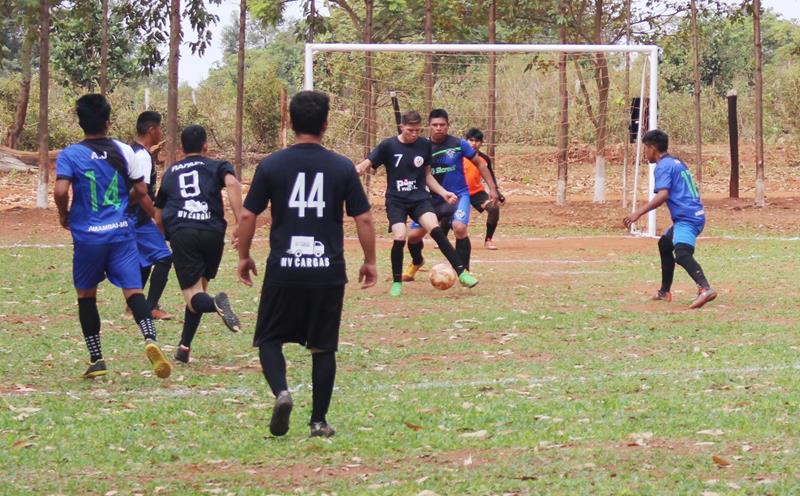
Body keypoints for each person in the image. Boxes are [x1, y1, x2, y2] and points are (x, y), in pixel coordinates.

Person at [236, 90, 377, 438]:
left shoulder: (270, 165)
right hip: (326, 271)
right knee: (323, 346)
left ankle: (282, 391)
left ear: (290, 121)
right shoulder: (342, 166)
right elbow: (364, 219)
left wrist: (243, 255)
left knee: (269, 338)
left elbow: (248, 214)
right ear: (326, 124)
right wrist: (370, 261)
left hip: (284, 268)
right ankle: (318, 421)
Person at [54, 93, 171, 379]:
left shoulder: (70, 154)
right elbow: (141, 191)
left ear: (80, 122)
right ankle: (150, 339)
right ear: (108, 121)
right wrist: (122, 203)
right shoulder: (123, 150)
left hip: (88, 237)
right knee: (133, 292)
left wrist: (64, 214)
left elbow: (59, 191)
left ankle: (97, 359)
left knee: (86, 295)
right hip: (121, 233)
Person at [354, 110, 477, 296]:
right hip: (396, 200)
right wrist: (352, 172)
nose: (414, 134)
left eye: (418, 130)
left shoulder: (424, 145)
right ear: (402, 127)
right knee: (401, 236)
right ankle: (397, 282)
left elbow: (427, 175)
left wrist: (444, 193)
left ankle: (462, 272)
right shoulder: (388, 145)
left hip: (419, 198)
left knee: (435, 229)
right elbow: (364, 166)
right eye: (410, 130)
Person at [154, 125, 243, 364]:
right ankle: (184, 347)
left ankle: (216, 304)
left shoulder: (171, 172)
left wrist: (161, 239)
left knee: (194, 296)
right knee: (196, 292)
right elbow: (233, 185)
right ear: (206, 146)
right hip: (213, 232)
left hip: (184, 233)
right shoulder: (217, 165)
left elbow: (159, 213)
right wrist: (240, 221)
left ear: (181, 148)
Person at [623, 129, 717, 309]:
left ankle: (705, 288)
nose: (645, 153)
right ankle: (664, 292)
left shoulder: (663, 166)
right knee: (665, 244)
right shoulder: (676, 162)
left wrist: (638, 213)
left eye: (645, 149)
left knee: (681, 254)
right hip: (693, 214)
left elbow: (663, 195)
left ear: (652, 148)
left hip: (687, 218)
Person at [403, 109, 498, 280]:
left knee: (460, 228)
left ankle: (464, 272)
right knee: (413, 237)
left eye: (442, 125)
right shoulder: (421, 146)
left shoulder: (459, 143)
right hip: (431, 199)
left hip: (459, 196)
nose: (439, 128)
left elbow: (481, 164)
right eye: (435, 125)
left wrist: (492, 188)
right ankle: (417, 261)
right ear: (429, 126)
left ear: (448, 126)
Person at [130, 111, 173, 319]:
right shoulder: (143, 157)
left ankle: (133, 304)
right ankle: (151, 306)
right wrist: (155, 217)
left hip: (133, 217)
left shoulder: (132, 151)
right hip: (139, 219)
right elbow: (141, 193)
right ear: (151, 130)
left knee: (146, 260)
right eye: (159, 128)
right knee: (164, 258)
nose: (160, 132)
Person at [442, 128, 505, 250]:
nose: (474, 143)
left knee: (493, 208)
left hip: (476, 192)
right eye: (471, 140)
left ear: (481, 143)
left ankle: (488, 240)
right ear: (466, 141)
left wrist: (496, 192)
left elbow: (490, 176)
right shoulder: (457, 156)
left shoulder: (484, 159)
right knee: (447, 211)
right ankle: (442, 239)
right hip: (458, 191)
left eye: (477, 141)